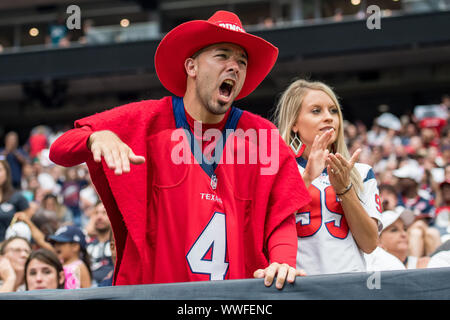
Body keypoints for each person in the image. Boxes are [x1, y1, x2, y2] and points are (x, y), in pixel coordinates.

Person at [49, 10, 311, 288]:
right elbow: (59, 150)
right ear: (191, 67)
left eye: (242, 61)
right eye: (222, 56)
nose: (235, 66)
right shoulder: (146, 120)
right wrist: (95, 138)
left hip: (238, 299)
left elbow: (281, 216)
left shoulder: (263, 136)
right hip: (156, 295)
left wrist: (283, 260)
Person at [274, 79, 382, 275]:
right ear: (294, 124)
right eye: (316, 111)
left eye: (333, 111)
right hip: (298, 286)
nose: (328, 117)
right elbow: (268, 226)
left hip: (349, 287)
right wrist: (307, 178)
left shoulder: (361, 172)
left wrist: (345, 190)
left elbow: (369, 244)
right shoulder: (275, 171)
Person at [365, 210, 430, 271]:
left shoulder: (425, 264)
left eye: (405, 229)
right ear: (378, 241)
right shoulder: (370, 268)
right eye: (394, 230)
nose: (404, 234)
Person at [0, 159, 31, 242]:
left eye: (0, 170)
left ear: (7, 173)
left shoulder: (17, 197)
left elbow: (28, 225)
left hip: (9, 247)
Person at [86, 201, 114, 286]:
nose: (99, 217)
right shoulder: (87, 244)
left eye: (104, 213)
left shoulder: (117, 245)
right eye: (96, 213)